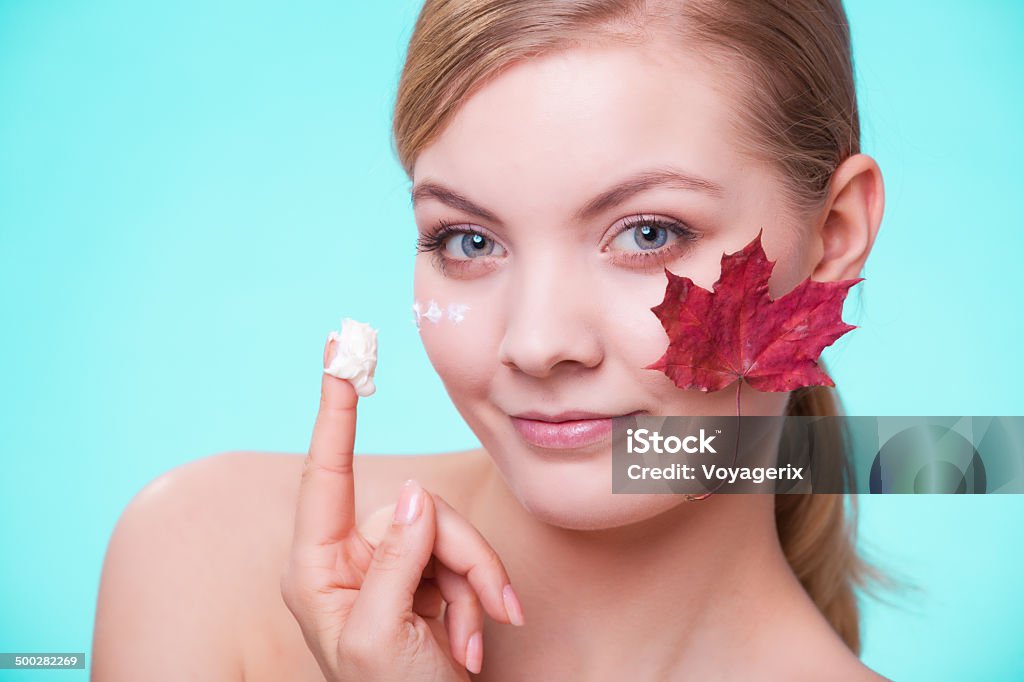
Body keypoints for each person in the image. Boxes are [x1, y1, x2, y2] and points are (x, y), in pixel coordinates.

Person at [92, 0, 889, 679]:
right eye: (468, 241)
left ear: (837, 234)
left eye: (649, 233)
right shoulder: (203, 559)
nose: (537, 344)